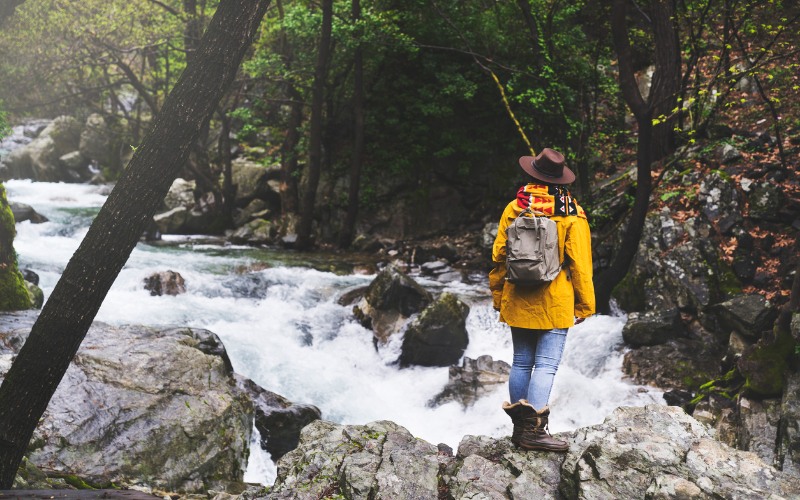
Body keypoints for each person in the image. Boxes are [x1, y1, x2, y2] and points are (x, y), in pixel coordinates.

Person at [489, 148, 595, 452]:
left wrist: (499, 296)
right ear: (561, 180)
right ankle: (534, 432)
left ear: (532, 174)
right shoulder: (572, 213)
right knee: (546, 365)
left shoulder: (514, 207)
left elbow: (498, 255)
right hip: (556, 298)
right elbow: (581, 264)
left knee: (522, 361)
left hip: (517, 294)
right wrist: (585, 305)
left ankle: (520, 430)